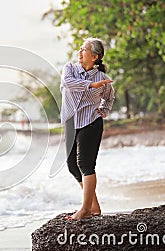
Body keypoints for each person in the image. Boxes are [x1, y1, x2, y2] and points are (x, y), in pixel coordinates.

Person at [60, 37, 115, 220]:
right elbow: (68, 83)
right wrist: (91, 85)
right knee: (71, 165)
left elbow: (109, 97)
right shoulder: (70, 69)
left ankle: (85, 210)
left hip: (91, 122)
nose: (79, 52)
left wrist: (104, 111)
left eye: (84, 49)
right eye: (80, 49)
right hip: (70, 123)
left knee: (85, 164)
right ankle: (94, 206)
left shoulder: (103, 79)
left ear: (95, 56)